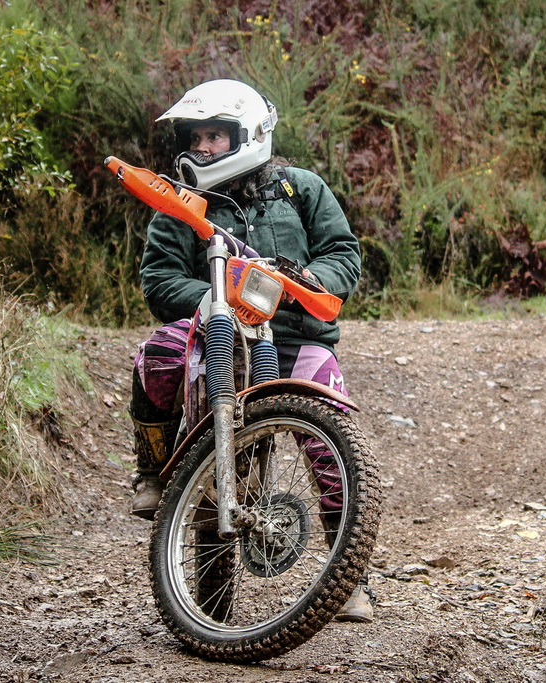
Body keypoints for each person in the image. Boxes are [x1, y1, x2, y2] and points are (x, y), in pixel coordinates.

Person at [128, 78, 373, 622]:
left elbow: (343, 251)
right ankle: (152, 471)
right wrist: (215, 297)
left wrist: (309, 279)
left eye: (215, 136)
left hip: (295, 341)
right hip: (216, 336)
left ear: (249, 135)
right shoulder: (178, 202)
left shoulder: (300, 188)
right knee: (158, 353)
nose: (202, 147)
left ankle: (349, 576)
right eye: (195, 138)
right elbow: (158, 279)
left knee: (335, 450)